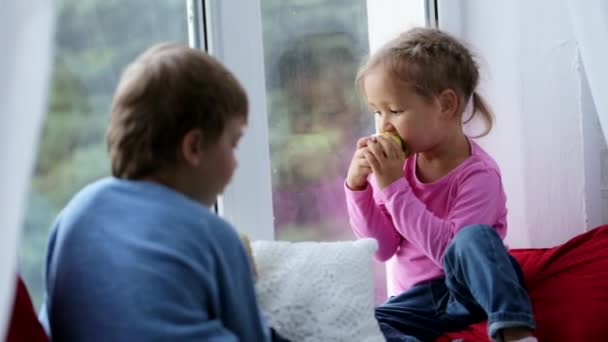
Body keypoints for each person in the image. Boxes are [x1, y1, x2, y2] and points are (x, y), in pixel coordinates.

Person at [40, 42, 281, 341]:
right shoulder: (212, 234)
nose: (235, 162)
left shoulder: (73, 215)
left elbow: (49, 325)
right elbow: (253, 336)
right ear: (194, 147)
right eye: (233, 144)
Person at [345, 28, 537, 342]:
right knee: (361, 323)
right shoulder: (399, 169)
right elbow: (382, 250)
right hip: (417, 302)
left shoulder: (479, 175)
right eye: (377, 112)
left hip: (470, 292)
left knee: (473, 237)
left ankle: (515, 330)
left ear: (446, 105)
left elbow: (450, 251)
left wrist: (394, 188)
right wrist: (358, 188)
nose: (384, 125)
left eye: (395, 110)